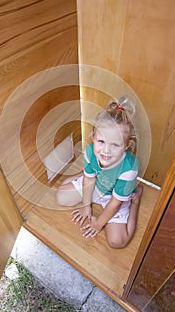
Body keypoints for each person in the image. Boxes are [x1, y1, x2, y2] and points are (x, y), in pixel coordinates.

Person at [55, 96, 143, 248]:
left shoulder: (129, 168)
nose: (106, 151)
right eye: (101, 142)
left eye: (115, 145)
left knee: (117, 242)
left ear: (127, 146)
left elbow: (115, 202)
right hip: (96, 185)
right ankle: (86, 172)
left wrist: (99, 224)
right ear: (93, 137)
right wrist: (86, 205)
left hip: (114, 197)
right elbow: (89, 182)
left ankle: (135, 201)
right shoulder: (90, 151)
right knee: (61, 198)